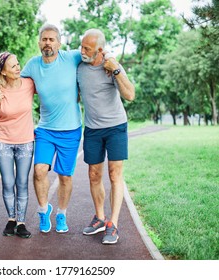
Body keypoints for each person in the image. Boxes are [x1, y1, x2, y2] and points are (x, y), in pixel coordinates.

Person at [20, 24, 82, 233]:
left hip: (71, 129)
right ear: (39, 42)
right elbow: (16, 85)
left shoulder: (72, 57)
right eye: (44, 39)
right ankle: (43, 210)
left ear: (59, 42)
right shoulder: (32, 65)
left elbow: (93, 54)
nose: (48, 43)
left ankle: (61, 214)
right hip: (45, 129)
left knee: (65, 176)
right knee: (39, 171)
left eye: (52, 39)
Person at [77, 29, 135, 244]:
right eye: (82, 46)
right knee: (93, 174)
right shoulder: (79, 66)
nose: (82, 51)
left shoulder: (112, 66)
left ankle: (114, 223)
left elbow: (130, 95)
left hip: (116, 127)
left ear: (100, 50)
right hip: (92, 128)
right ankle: (100, 217)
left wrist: (117, 69)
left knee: (114, 174)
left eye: (87, 49)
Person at [0, 52, 35, 238]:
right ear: (3, 72)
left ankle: (21, 223)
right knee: (8, 182)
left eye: (18, 64)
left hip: (25, 141)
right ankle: (11, 219)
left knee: (22, 182)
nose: (18, 68)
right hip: (3, 141)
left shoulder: (29, 84)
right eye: (13, 66)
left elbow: (48, 89)